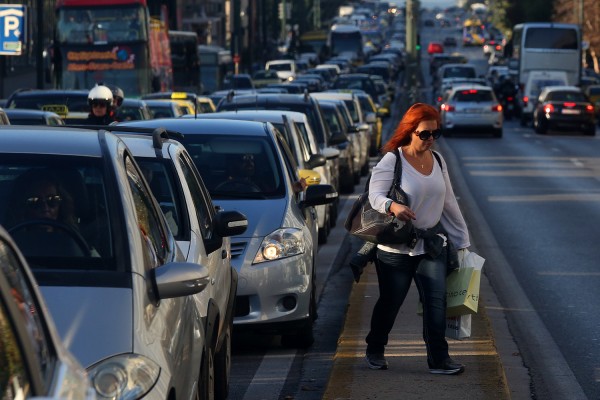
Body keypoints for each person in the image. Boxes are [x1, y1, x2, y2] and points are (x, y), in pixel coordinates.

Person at [362, 103, 470, 374]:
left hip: (430, 246)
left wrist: (462, 242)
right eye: (425, 134)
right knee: (390, 303)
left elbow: (448, 203)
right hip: (394, 249)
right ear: (411, 131)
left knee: (436, 303)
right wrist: (392, 206)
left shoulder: (439, 161)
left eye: (435, 134)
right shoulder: (392, 160)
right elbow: (374, 196)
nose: (430, 139)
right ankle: (375, 348)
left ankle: (439, 359)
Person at [4, 169, 77, 233]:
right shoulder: (8, 243)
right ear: (21, 206)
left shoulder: (75, 240)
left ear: (61, 204)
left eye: (52, 201)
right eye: (35, 202)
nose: (45, 208)